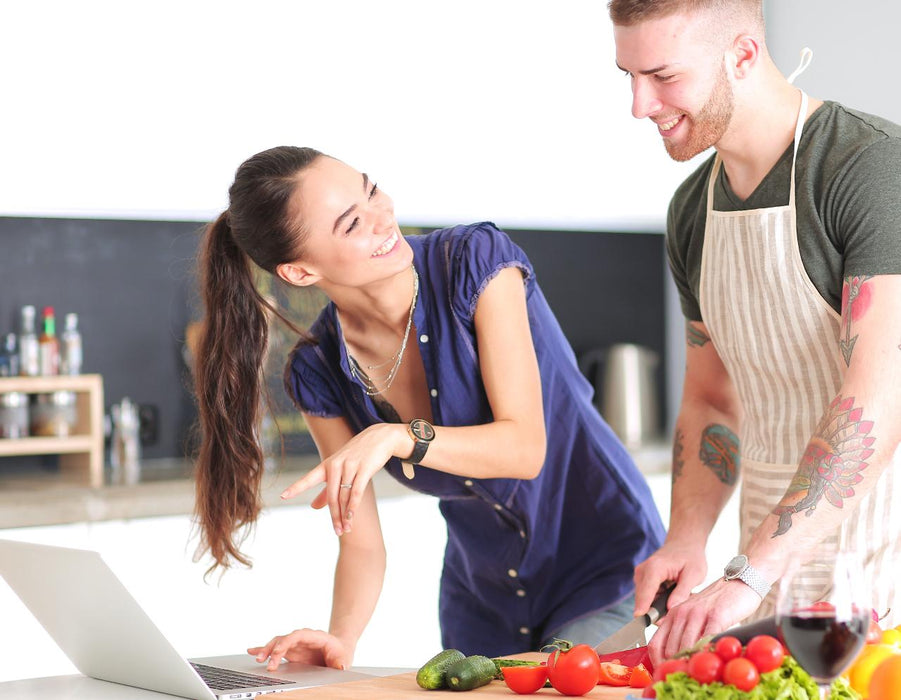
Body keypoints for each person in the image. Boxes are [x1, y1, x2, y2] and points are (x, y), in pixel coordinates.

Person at [192, 145, 666, 670]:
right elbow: (362, 543)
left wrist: (398, 437)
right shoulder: (319, 371)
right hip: (482, 600)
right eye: (352, 224)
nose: (382, 217)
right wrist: (342, 639)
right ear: (301, 272)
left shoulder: (474, 263)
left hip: (606, 566)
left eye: (371, 190)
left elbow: (524, 449)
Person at [608, 0, 901, 664]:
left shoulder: (869, 170)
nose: (637, 104)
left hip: (882, 564)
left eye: (661, 76)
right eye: (626, 76)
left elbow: (877, 401)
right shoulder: (692, 209)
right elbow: (713, 399)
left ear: (741, 55)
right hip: (763, 579)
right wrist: (686, 539)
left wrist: (750, 572)